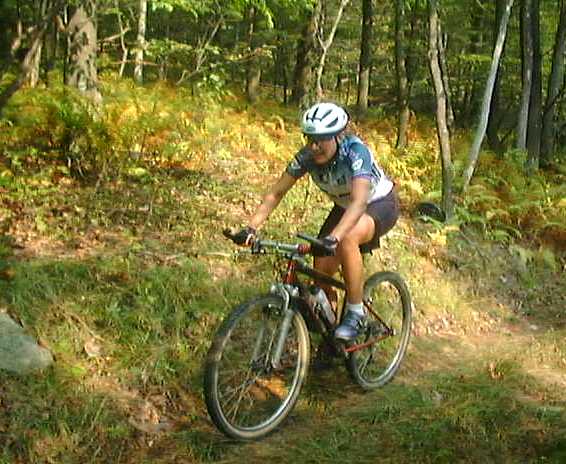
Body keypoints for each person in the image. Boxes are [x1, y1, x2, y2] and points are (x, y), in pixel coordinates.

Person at [231, 102, 399, 341]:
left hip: (378, 203)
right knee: (320, 275)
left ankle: (356, 312)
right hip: (344, 207)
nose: (314, 146)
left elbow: (359, 202)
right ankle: (331, 341)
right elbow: (276, 193)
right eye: (310, 139)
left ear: (337, 136)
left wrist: (335, 237)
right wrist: (251, 228)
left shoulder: (355, 152)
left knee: (347, 238)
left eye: (321, 140)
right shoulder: (306, 157)